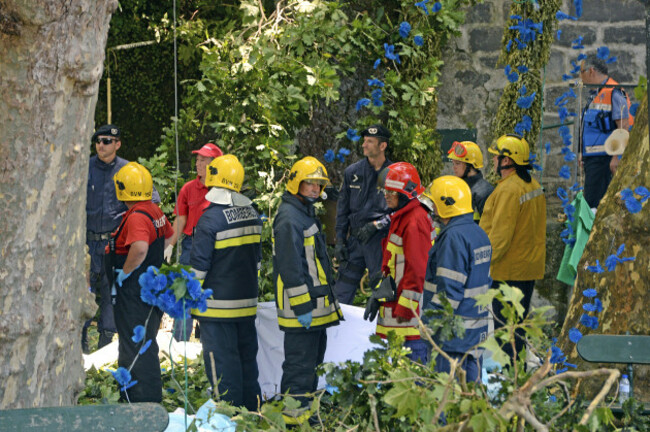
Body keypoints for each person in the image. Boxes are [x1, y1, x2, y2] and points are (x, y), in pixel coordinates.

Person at [273, 157, 343, 425]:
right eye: (310, 183)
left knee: (312, 363)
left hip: (314, 307)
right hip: (301, 308)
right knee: (299, 366)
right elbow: (291, 266)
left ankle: (306, 414)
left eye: (319, 184)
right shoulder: (289, 218)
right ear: (296, 184)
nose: (316, 189)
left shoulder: (303, 212)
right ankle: (293, 421)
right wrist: (302, 306)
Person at [189, 155, 262, 411]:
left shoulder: (210, 219)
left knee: (222, 366)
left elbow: (198, 268)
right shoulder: (252, 213)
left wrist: (186, 300)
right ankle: (253, 415)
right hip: (247, 305)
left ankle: (228, 418)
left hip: (217, 308)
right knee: (247, 363)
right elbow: (258, 262)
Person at [107, 162, 173, 402]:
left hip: (135, 292)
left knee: (135, 345)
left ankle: (138, 400)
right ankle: (143, 398)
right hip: (148, 287)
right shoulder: (154, 210)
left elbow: (140, 248)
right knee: (143, 341)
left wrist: (125, 273)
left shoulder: (137, 216)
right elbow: (170, 236)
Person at [480, 134, 546, 364]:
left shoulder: (509, 190)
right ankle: (516, 377)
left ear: (508, 160)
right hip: (527, 268)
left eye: (497, 156)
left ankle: (508, 381)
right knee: (517, 329)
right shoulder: (532, 184)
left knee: (505, 332)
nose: (494, 160)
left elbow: (500, 237)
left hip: (508, 271)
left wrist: (481, 264)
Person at [421, 176, 492, 383]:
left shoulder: (453, 238)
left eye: (434, 202)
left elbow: (449, 292)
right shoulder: (478, 234)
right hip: (476, 328)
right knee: (470, 394)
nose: (432, 208)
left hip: (452, 334)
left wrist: (429, 324)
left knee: (446, 395)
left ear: (446, 205)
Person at [364, 162, 433, 363]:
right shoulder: (404, 216)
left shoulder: (414, 221)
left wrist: (406, 308)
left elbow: (418, 269)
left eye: (391, 192)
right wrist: (381, 291)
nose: (386, 195)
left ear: (406, 194)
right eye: (385, 191)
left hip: (409, 319)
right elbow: (398, 263)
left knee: (412, 377)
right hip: (400, 310)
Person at [167, 142, 223, 341]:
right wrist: (171, 244)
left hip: (218, 245)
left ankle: (209, 342)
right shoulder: (189, 188)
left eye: (203, 160)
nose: (198, 164)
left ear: (215, 164)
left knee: (213, 292)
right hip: (191, 244)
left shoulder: (223, 189)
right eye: (197, 160)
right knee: (184, 294)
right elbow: (181, 218)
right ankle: (180, 344)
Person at [334, 125, 393, 305]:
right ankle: (336, 332)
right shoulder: (353, 172)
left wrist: (378, 225)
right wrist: (340, 241)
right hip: (356, 240)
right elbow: (342, 210)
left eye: (370, 142)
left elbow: (403, 210)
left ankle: (382, 333)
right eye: (364, 141)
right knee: (340, 294)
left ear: (382, 146)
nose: (364, 145)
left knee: (382, 295)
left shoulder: (395, 173)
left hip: (379, 241)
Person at [579, 53, 634, 209]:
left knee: (594, 204)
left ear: (590, 71)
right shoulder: (595, 94)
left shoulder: (613, 92)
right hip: (593, 158)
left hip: (605, 159)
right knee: (590, 201)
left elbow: (623, 127)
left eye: (581, 73)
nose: (581, 79)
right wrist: (582, 153)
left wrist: (616, 157)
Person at [447, 140, 494, 222]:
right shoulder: (460, 187)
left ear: (470, 166)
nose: (454, 167)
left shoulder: (485, 192)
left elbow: (489, 225)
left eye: (458, 163)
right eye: (453, 163)